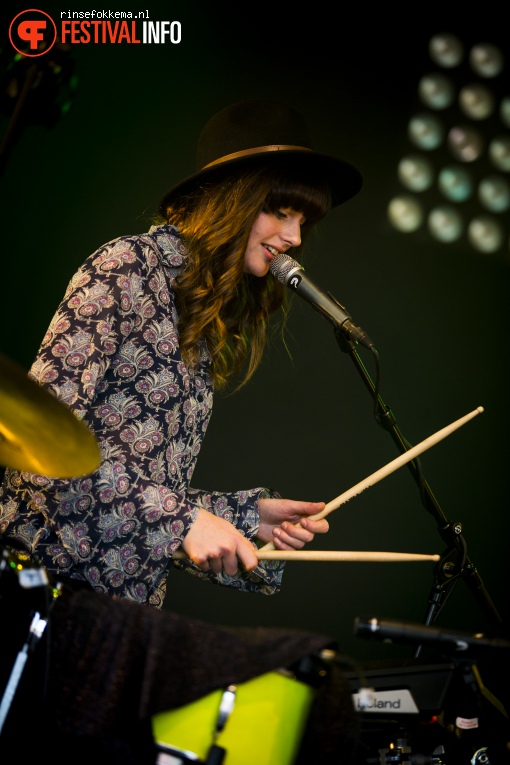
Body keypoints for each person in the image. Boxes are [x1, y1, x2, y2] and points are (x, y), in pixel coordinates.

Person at [0, 99, 363, 611]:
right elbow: (35, 454)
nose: (294, 237)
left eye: (302, 220)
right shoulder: (126, 268)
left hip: (124, 618)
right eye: (281, 212)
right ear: (229, 201)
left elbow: (141, 495)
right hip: (41, 593)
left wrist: (244, 518)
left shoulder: (202, 312)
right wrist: (182, 521)